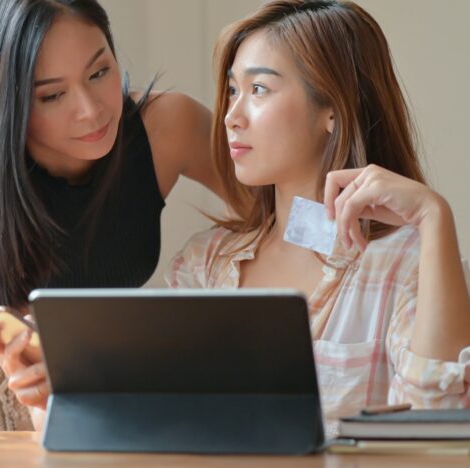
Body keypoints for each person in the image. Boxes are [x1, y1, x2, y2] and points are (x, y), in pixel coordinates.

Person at [164, 0, 470, 436]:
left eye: (259, 90)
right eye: (233, 90)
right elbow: (159, 415)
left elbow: (440, 425)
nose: (231, 117)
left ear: (331, 108)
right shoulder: (203, 263)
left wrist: (434, 216)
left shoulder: (409, 262)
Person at [0, 0, 222, 431]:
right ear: (7, 104)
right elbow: (43, 395)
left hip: (95, 374)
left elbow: (281, 205)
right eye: (53, 95)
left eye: (99, 72)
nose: (91, 110)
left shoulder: (165, 127)